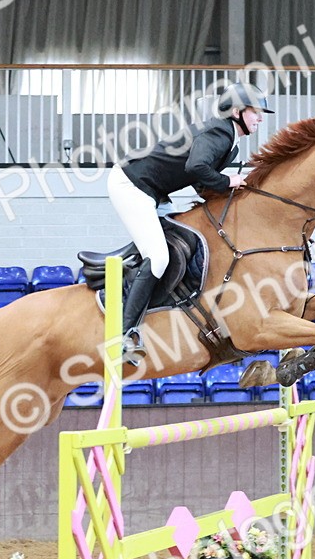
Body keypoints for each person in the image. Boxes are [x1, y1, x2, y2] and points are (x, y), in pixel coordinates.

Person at [106, 82, 273, 362]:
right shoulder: (220, 132)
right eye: (255, 111)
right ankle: (122, 335)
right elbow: (196, 168)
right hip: (132, 186)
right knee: (158, 257)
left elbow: (197, 178)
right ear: (236, 112)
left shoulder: (229, 140)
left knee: (180, 239)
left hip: (155, 192)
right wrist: (228, 181)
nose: (259, 117)